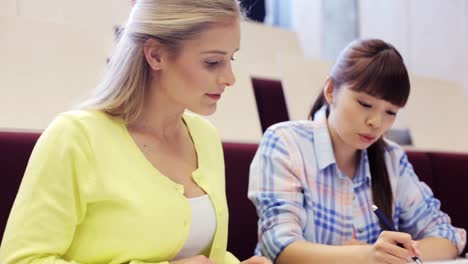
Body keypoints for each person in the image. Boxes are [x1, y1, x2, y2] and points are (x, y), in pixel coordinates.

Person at [0, 1, 271, 264]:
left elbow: (202, 254)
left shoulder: (205, 137)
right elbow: (21, 260)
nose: (230, 78)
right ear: (155, 55)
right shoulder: (75, 137)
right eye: (212, 62)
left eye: (230, 59)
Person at [248, 38, 466, 264]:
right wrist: (368, 255)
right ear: (331, 90)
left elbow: (447, 237)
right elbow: (280, 248)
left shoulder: (391, 158)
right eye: (365, 104)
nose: (376, 122)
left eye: (390, 112)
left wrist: (390, 254)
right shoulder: (286, 143)